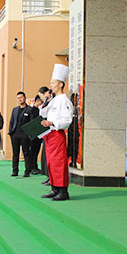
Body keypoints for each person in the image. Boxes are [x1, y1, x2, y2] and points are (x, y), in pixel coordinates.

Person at [40, 64, 74, 201]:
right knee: (51, 163)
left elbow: (67, 120)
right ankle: (54, 188)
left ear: (60, 84)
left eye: (53, 83)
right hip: (49, 135)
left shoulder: (65, 100)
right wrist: (46, 100)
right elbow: (43, 113)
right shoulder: (53, 100)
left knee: (59, 163)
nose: (51, 86)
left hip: (57, 134)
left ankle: (63, 191)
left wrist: (52, 123)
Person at [8, 91, 37, 177]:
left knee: (26, 153)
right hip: (15, 134)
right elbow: (11, 121)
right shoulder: (15, 109)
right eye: (18, 98)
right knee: (15, 153)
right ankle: (15, 171)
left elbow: (32, 122)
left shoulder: (30, 109)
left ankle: (27, 171)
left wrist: (29, 134)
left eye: (21, 97)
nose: (20, 99)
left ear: (25, 98)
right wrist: (11, 132)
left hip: (25, 135)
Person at [39, 86, 55, 185]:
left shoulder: (56, 101)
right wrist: (45, 102)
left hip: (54, 131)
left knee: (52, 158)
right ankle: (48, 176)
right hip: (46, 133)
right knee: (45, 157)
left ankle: (52, 178)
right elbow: (42, 113)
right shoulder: (47, 103)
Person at [30, 95, 43, 174]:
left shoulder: (39, 110)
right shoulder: (32, 110)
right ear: (37, 101)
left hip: (39, 134)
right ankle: (32, 167)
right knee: (33, 151)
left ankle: (35, 166)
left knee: (36, 151)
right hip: (33, 134)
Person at [67, 93, 81, 167]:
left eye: (77, 99)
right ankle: (69, 161)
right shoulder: (69, 109)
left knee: (76, 148)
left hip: (77, 132)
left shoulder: (79, 110)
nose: (75, 100)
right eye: (74, 99)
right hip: (70, 132)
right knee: (70, 148)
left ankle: (74, 162)